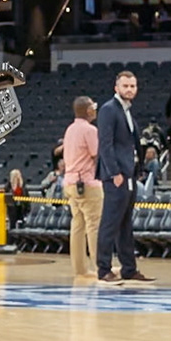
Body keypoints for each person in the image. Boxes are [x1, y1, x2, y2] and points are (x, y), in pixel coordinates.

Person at [94, 71, 149, 286]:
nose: (129, 89)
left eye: (133, 86)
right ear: (116, 87)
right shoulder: (109, 109)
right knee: (110, 223)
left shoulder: (127, 112)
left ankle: (129, 268)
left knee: (125, 223)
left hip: (129, 174)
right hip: (116, 175)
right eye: (125, 85)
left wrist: (138, 169)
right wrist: (114, 172)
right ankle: (103, 269)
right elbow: (105, 144)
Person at [61, 96, 102, 283]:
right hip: (86, 183)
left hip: (69, 182)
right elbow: (96, 155)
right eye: (93, 107)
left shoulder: (70, 129)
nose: (95, 110)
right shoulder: (90, 130)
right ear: (88, 111)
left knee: (77, 225)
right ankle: (101, 266)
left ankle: (80, 268)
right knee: (94, 225)